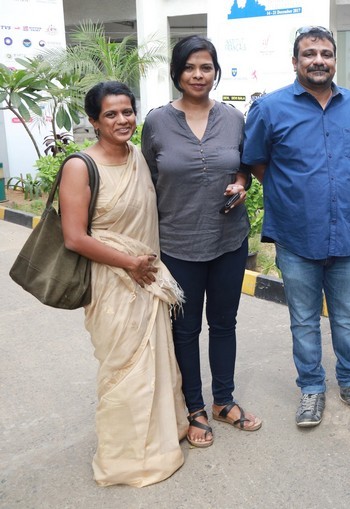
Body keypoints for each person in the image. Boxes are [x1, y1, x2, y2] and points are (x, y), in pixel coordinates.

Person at [242, 26, 350, 427]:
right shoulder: (270, 109)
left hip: (347, 236)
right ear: (295, 61)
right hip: (296, 237)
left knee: (347, 317)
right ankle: (311, 389)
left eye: (325, 53)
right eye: (309, 54)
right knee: (303, 320)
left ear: (335, 60)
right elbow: (256, 161)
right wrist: (291, 192)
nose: (318, 60)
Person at [60, 81, 187, 486]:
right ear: (94, 121)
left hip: (146, 275)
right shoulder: (80, 166)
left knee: (155, 359)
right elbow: (74, 237)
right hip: (113, 281)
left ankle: (163, 438)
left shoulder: (138, 157)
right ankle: (126, 458)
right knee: (123, 367)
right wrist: (129, 263)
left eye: (127, 111)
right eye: (111, 114)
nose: (122, 120)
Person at [142, 35, 261, 449]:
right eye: (190, 67)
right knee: (186, 329)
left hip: (228, 240)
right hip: (177, 243)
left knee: (224, 324)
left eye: (206, 66)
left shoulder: (232, 117)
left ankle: (224, 401)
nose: (198, 74)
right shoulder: (157, 121)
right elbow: (148, 181)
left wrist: (242, 183)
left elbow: (243, 165)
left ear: (216, 71)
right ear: (177, 72)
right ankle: (194, 407)